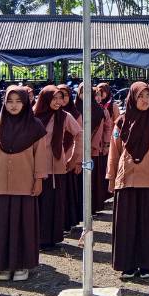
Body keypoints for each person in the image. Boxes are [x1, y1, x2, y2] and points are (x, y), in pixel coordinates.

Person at [0, 86, 49, 282]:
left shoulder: (35, 127)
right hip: (1, 185)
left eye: (18, 101)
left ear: (26, 103)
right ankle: (2, 265)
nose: (13, 105)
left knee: (23, 225)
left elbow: (40, 156)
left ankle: (21, 264)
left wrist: (38, 180)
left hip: (25, 185)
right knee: (1, 225)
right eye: (10, 101)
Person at [109, 82, 149, 279]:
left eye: (147, 96)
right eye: (140, 96)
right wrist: (111, 177)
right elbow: (114, 150)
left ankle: (147, 265)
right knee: (127, 224)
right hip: (127, 178)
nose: (145, 100)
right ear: (132, 98)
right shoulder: (121, 121)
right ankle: (128, 265)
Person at [33, 85, 81, 249]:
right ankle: (36, 238)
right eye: (54, 98)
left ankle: (51, 238)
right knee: (37, 204)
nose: (58, 102)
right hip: (34, 168)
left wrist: (74, 158)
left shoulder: (64, 116)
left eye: (60, 98)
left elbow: (79, 134)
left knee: (53, 204)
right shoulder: (33, 116)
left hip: (56, 168)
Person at [57, 84, 84, 231]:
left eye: (65, 96)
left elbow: (79, 136)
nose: (62, 99)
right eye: (58, 96)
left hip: (70, 158)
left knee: (69, 192)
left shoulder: (75, 114)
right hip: (55, 160)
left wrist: (77, 160)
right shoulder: (49, 113)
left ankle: (69, 221)